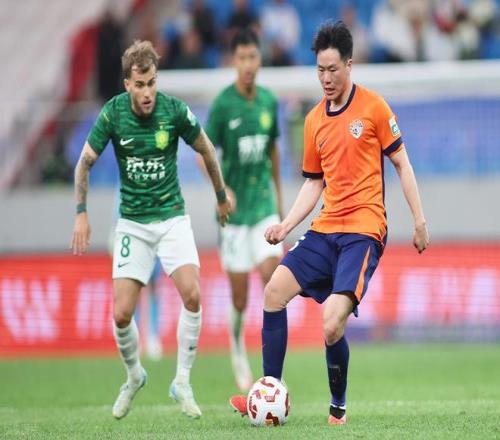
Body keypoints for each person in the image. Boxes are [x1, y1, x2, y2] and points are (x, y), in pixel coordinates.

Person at [229, 21, 429, 425]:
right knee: (273, 292)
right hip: (325, 228)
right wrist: (286, 226)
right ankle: (270, 394)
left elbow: (402, 164)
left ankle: (338, 407)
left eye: (332, 69)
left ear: (349, 65)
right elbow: (313, 183)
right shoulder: (313, 121)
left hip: (363, 231)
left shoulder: (374, 107)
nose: (325, 78)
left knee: (331, 323)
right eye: (319, 70)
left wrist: (419, 220)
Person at [71, 40, 231, 420]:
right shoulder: (113, 113)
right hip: (133, 223)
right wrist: (81, 214)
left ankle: (182, 381)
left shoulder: (173, 111)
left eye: (152, 83)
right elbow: (84, 163)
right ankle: (134, 375)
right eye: (140, 85)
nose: (147, 93)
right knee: (122, 314)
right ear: (127, 83)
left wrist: (221, 196)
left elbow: (207, 149)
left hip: (172, 217)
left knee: (193, 294)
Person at [204, 27, 284, 392]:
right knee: (240, 297)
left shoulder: (269, 101)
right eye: (242, 58)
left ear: (260, 59)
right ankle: (237, 347)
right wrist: (222, 191)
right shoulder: (223, 105)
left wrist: (279, 199)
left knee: (273, 278)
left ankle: (272, 368)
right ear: (233, 61)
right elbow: (205, 153)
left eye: (253, 57)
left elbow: (273, 151)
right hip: (234, 216)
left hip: (264, 205)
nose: (248, 64)